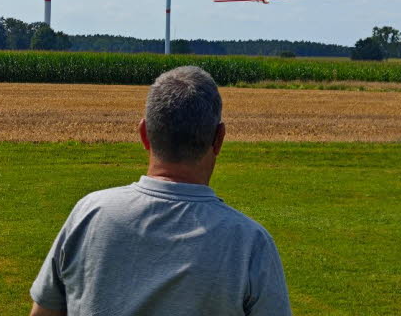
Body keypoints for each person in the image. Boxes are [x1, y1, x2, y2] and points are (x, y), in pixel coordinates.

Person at [29, 66, 292, 316]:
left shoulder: (89, 214)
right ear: (219, 139)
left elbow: (44, 311)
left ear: (144, 133)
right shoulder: (249, 243)